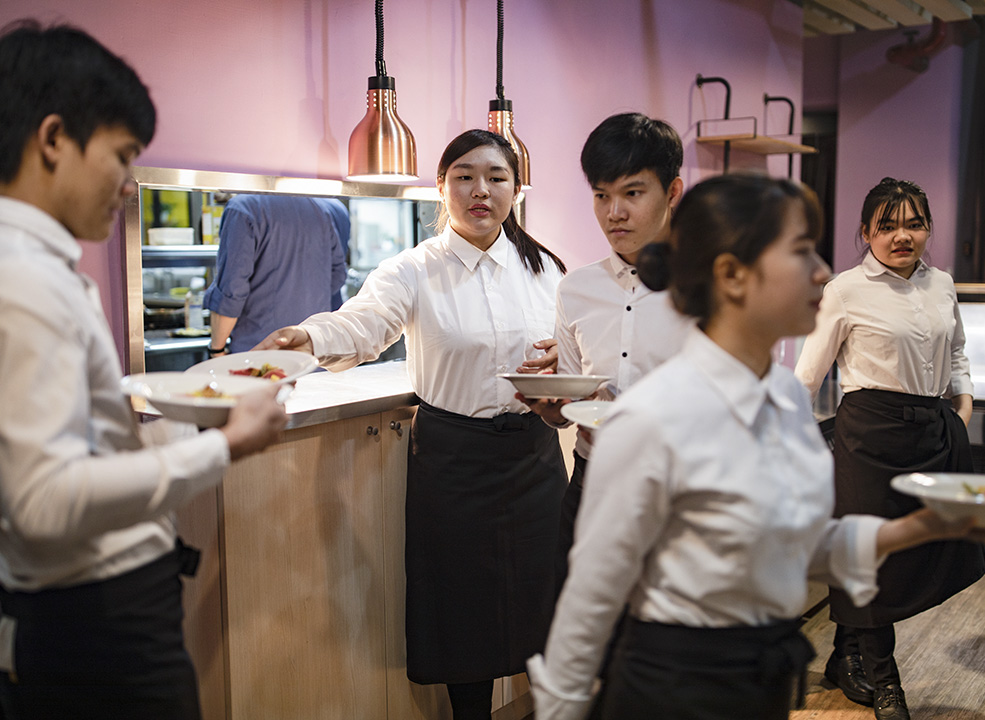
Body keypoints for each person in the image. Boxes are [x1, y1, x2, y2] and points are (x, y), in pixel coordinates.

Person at [526, 174, 985, 720]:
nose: (825, 271)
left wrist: (935, 524)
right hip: (673, 687)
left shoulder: (784, 396)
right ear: (733, 275)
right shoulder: (653, 415)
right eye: (800, 252)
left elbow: (799, 546)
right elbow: (591, 596)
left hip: (767, 683)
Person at [0, 20, 286, 720]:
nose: (130, 186)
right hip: (96, 622)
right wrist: (222, 447)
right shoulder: (25, 283)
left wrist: (190, 432)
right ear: (53, 139)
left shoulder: (39, 271)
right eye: (123, 156)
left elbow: (78, 449)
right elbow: (43, 503)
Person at [255, 129, 568, 720]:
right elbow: (364, 325)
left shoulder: (545, 268)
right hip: (452, 460)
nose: (481, 190)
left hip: (533, 458)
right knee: (461, 615)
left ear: (516, 189)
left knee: (546, 605)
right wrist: (309, 336)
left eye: (497, 178)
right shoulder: (411, 270)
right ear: (440, 188)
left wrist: (560, 366)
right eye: (465, 177)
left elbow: (574, 352)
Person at [794, 178, 985, 720]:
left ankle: (842, 656)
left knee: (920, 557)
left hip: (933, 431)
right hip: (868, 436)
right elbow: (808, 374)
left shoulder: (942, 284)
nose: (902, 236)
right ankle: (885, 681)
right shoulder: (845, 290)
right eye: (888, 225)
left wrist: (963, 407)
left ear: (927, 228)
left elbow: (958, 352)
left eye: (914, 223)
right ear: (866, 232)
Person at [519, 112, 692, 600]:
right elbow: (575, 396)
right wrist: (553, 409)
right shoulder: (576, 289)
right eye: (601, 195)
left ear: (673, 192)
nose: (614, 212)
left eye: (632, 193)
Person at [204, 193, 349, 356]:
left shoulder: (242, 208)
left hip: (259, 355)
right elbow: (338, 275)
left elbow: (231, 292)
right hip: (311, 353)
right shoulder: (321, 209)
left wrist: (216, 349)